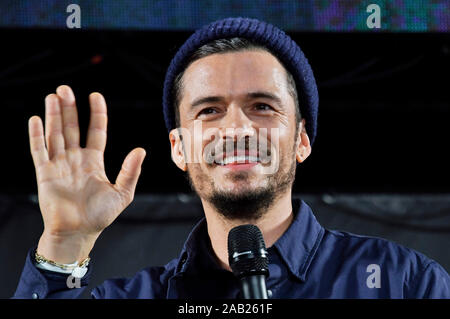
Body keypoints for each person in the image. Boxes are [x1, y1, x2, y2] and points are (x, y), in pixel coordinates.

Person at [14, 17, 450, 299]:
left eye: (262, 106)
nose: (236, 127)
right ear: (179, 149)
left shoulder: (405, 283)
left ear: (301, 140)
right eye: (210, 110)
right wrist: (66, 242)